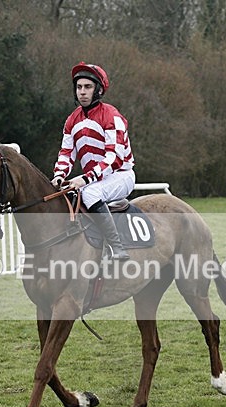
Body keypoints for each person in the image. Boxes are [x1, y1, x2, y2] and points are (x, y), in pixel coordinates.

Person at [51, 62, 135, 260]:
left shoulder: (112, 116)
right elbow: (66, 152)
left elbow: (114, 158)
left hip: (120, 175)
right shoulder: (72, 119)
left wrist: (85, 179)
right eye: (79, 87)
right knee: (65, 195)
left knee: (89, 193)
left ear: (98, 89)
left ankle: (117, 247)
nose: (82, 92)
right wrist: (59, 176)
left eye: (87, 87)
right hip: (95, 178)